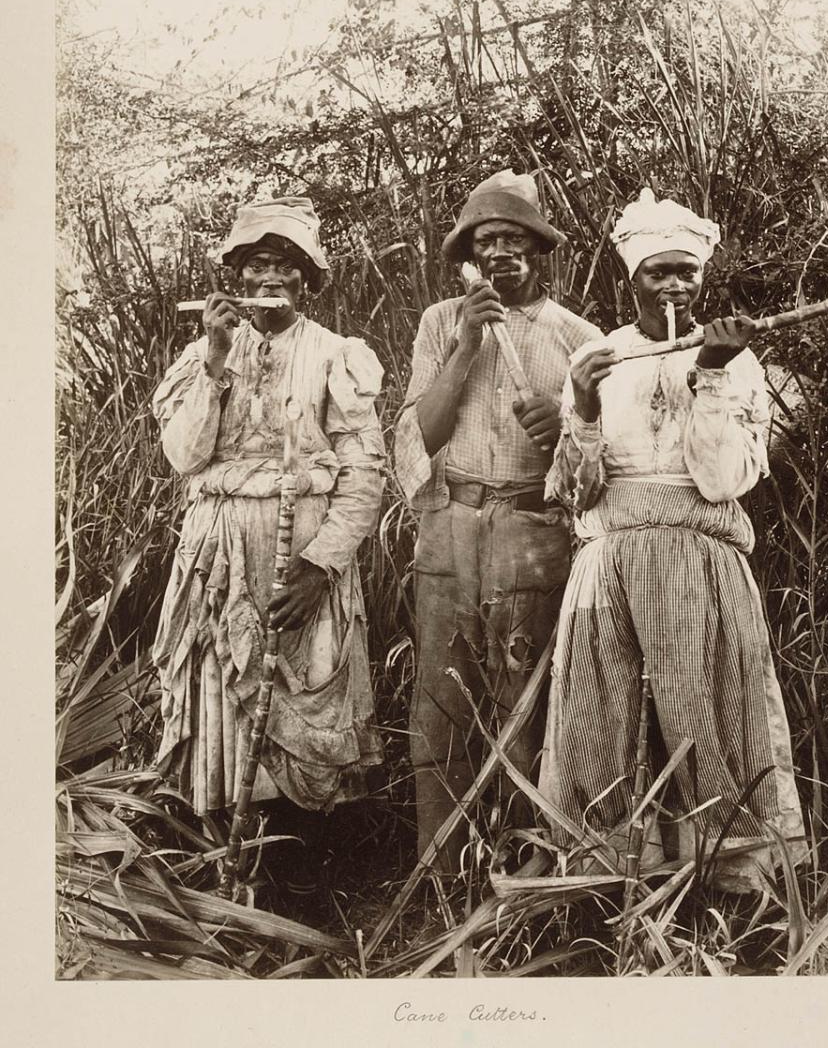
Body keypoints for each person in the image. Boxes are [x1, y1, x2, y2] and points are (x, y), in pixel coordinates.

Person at [540, 188, 806, 892]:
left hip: (700, 556)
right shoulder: (598, 358)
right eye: (658, 272)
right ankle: (606, 882)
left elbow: (722, 482)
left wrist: (713, 373)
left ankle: (732, 881)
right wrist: (587, 405)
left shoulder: (738, 360)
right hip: (612, 561)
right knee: (603, 712)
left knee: (708, 710)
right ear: (630, 279)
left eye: (685, 271)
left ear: (703, 277)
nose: (674, 286)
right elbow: (574, 493)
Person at [151, 197, 385, 835]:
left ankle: (311, 856)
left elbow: (364, 472)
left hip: (305, 553)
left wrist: (320, 567)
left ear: (307, 277)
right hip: (220, 554)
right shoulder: (205, 356)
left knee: (307, 689)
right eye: (257, 264)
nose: (272, 277)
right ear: (237, 278)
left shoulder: (338, 354)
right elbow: (184, 455)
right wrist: (217, 359)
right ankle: (232, 850)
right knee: (225, 695)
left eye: (286, 263)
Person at [394, 170, 602, 873]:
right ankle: (441, 873)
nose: (501, 254)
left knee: (527, 697)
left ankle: (526, 873)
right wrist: (466, 344)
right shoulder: (438, 323)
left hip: (530, 530)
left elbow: (592, 476)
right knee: (441, 700)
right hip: (450, 522)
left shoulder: (580, 339)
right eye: (487, 243)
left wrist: (561, 432)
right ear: (468, 256)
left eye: (515, 241)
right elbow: (420, 435)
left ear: (538, 253)